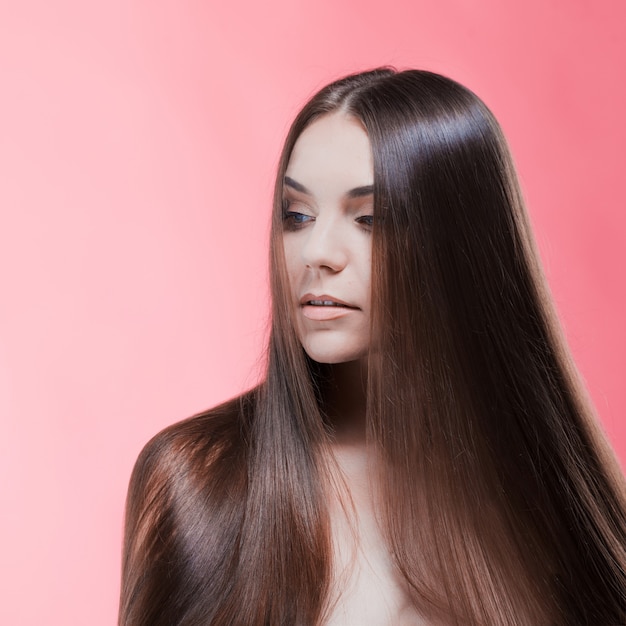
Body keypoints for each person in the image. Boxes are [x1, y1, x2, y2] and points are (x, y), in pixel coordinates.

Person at [118, 68, 626, 625]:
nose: (317, 251)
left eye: (369, 219)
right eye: (297, 216)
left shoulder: (549, 502)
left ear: (458, 245)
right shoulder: (197, 481)